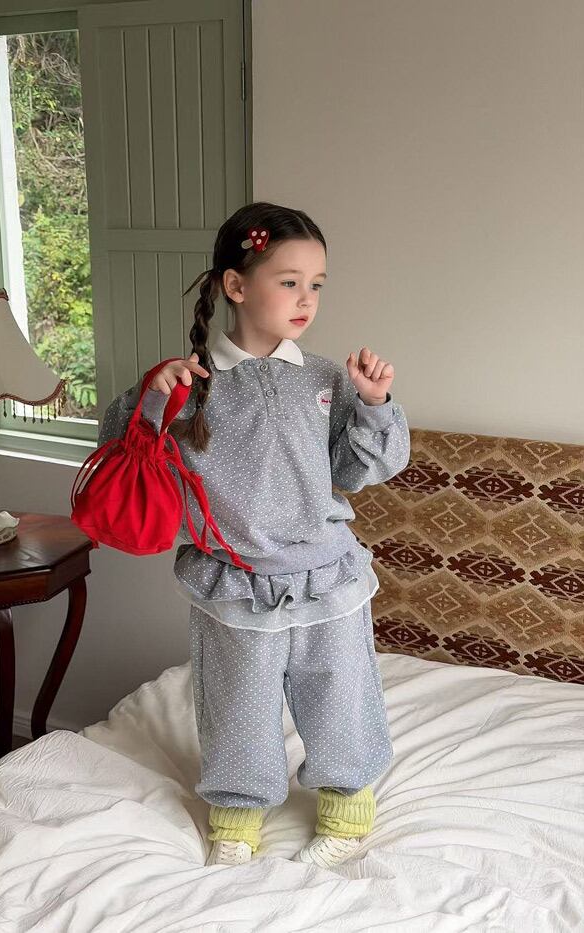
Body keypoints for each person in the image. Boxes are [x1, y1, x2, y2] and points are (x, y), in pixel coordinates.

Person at [98, 201, 411, 870]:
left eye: (317, 284)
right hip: (234, 581)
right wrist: (154, 399)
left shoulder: (326, 378)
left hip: (328, 575)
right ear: (236, 285)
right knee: (236, 705)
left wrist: (374, 402)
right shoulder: (188, 385)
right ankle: (238, 818)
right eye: (289, 281)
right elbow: (123, 452)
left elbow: (359, 470)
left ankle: (347, 809)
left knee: (340, 695)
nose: (307, 299)